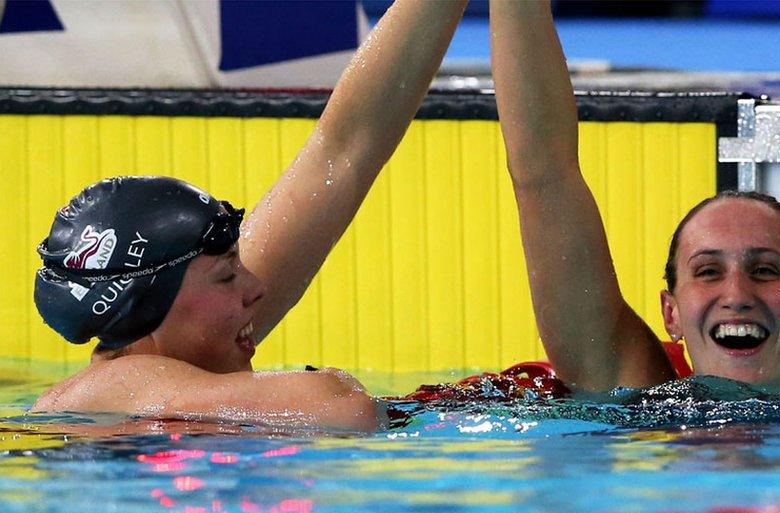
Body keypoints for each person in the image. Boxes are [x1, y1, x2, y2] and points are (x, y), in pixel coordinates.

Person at [31, 0, 470, 431]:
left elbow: (346, 149)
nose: (257, 286)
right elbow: (341, 408)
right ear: (145, 304)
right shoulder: (114, 385)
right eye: (226, 275)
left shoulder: (162, 364)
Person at [488, 0, 780, 393]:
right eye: (707, 272)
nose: (736, 295)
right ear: (672, 314)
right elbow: (543, 175)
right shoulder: (636, 397)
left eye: (765, 270)